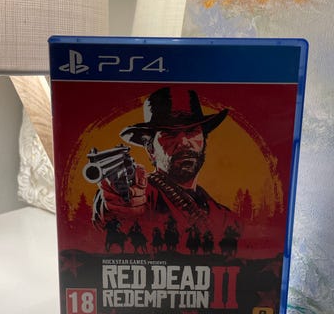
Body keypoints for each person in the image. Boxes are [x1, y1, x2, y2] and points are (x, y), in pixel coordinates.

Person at [92, 86, 236, 237]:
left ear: (204, 142)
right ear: (151, 150)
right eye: (169, 134)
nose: (183, 142)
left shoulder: (222, 214)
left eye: (191, 131)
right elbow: (113, 210)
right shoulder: (144, 193)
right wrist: (114, 202)